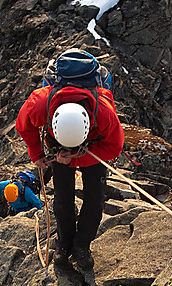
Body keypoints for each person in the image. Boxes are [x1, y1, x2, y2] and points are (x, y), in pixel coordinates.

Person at [15, 49, 124, 269]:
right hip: (57, 148)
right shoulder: (39, 103)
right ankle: (63, 243)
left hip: (93, 148)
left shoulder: (103, 111)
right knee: (63, 200)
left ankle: (82, 245)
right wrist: (37, 154)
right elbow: (23, 126)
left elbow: (114, 147)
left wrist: (76, 158)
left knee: (94, 201)